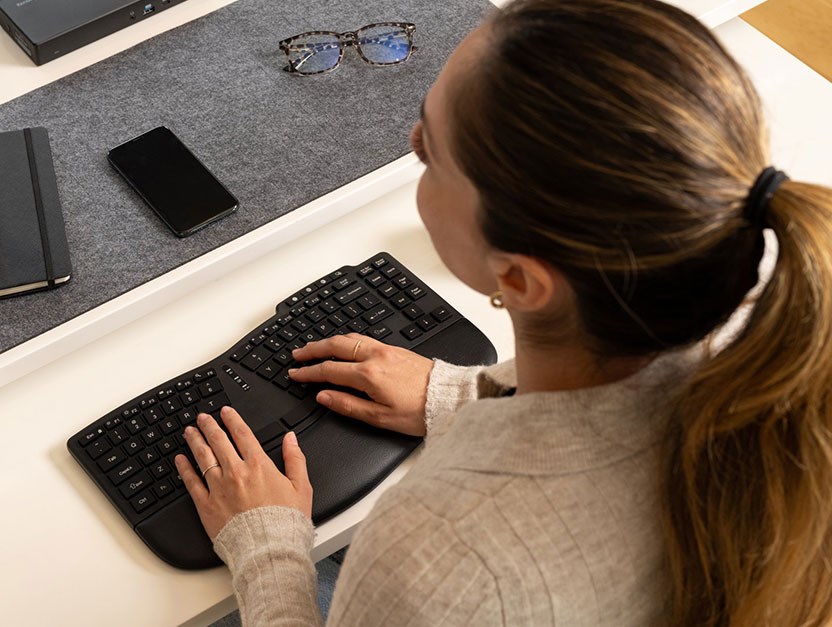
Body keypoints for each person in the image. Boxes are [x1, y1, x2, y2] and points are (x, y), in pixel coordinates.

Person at [171, 0, 832, 624]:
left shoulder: (436, 560)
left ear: (517, 278)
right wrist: (454, 393)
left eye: (429, 152)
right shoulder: (755, 350)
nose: (410, 143)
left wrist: (270, 550)